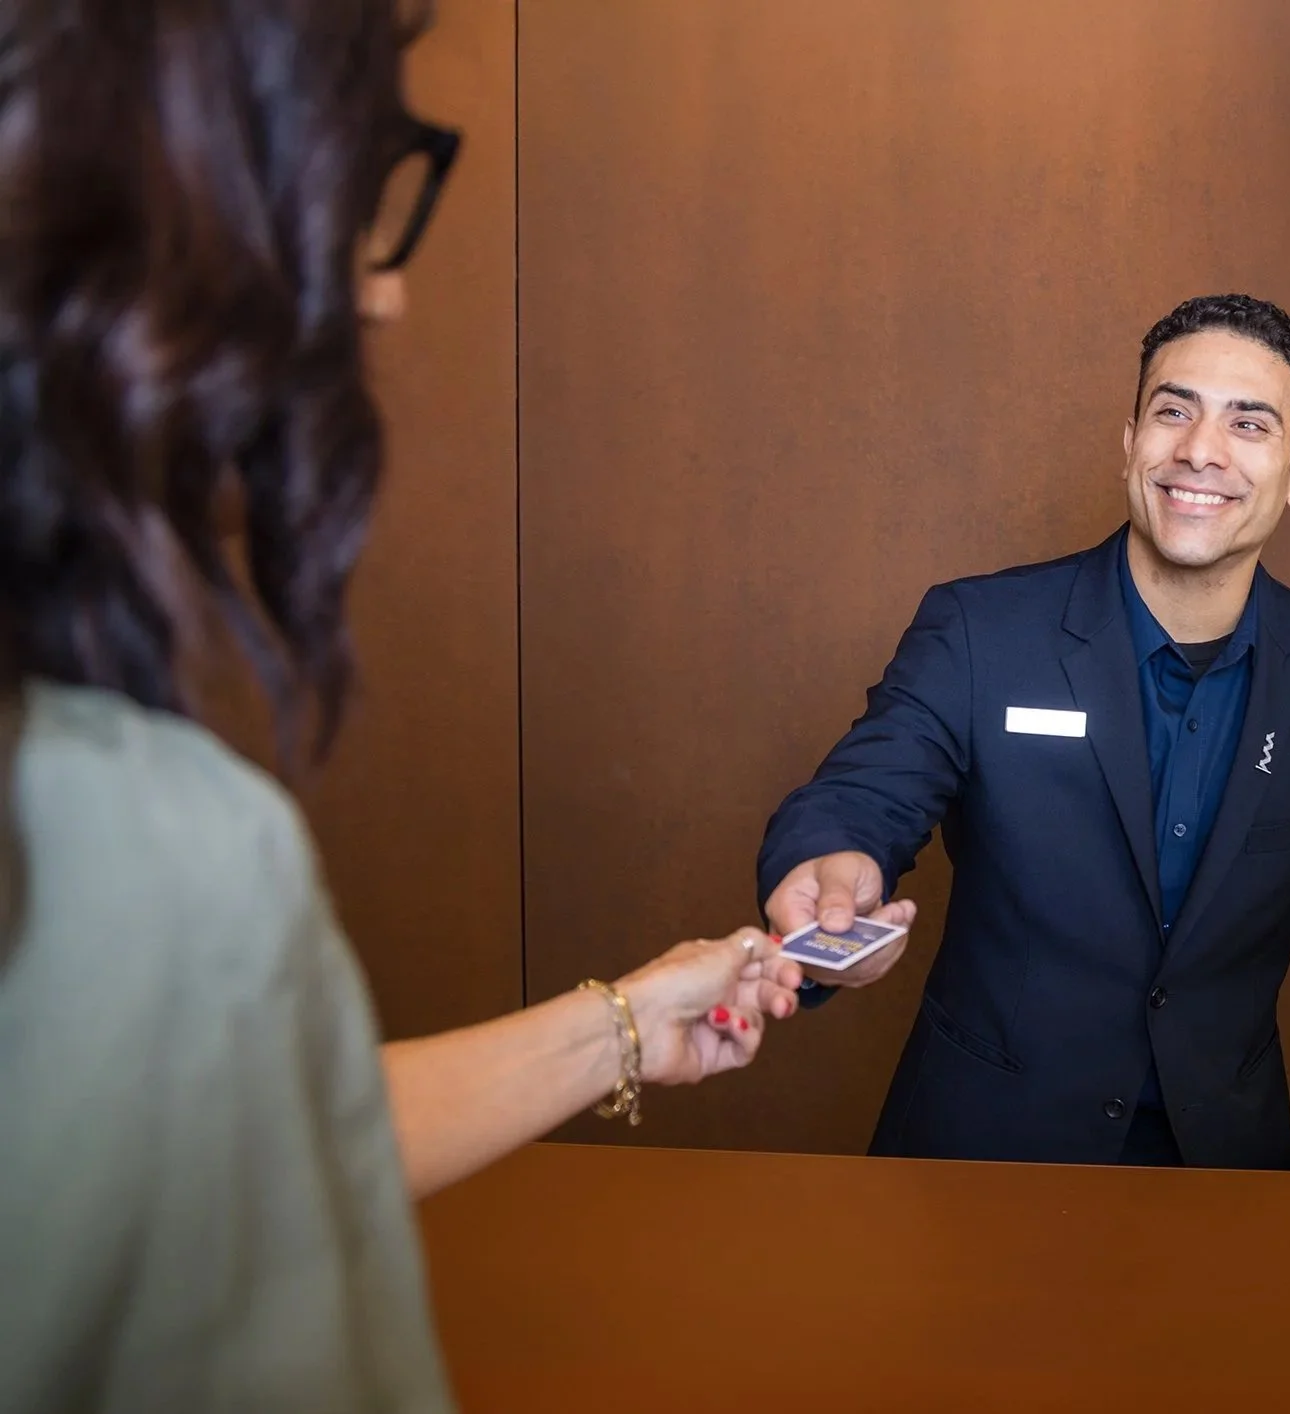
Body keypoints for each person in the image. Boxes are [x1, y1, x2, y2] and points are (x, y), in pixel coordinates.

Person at [0, 3, 806, 1408]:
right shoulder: (153, 843)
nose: (382, 292)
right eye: (357, 175)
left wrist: (623, 1020)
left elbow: (236, 1126)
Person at [760, 293, 1290, 1246]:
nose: (1201, 450)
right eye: (1174, 411)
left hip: (1227, 1176)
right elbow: (863, 795)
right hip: (979, 1165)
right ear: (1130, 438)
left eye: (1248, 424)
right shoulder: (981, 631)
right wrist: (831, 870)